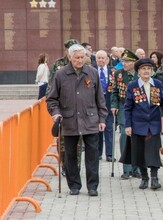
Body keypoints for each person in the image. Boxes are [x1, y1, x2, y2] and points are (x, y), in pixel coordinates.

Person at [46, 44, 108, 196]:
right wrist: (55, 113)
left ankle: (92, 186)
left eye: (82, 57)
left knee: (92, 156)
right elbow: (52, 99)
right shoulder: (60, 75)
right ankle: (74, 185)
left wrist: (102, 119)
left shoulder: (92, 73)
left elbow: (100, 99)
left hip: (91, 120)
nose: (80, 61)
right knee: (70, 155)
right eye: (77, 58)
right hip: (69, 121)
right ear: (70, 57)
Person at [124, 58, 163, 190]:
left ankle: (155, 178)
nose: (146, 71)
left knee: (153, 150)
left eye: (149, 69)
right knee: (139, 151)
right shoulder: (133, 85)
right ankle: (144, 177)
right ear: (138, 71)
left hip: (154, 124)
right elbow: (128, 107)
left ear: (152, 71)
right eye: (143, 69)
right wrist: (128, 125)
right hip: (138, 124)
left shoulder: (157, 84)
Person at [47, 39, 83, 177]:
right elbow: (51, 86)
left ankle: (76, 168)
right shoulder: (58, 65)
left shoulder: (83, 65)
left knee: (78, 143)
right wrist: (53, 109)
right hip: (62, 110)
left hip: (78, 110)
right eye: (69, 49)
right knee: (62, 142)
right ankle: (65, 165)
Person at [111, 49, 141, 179]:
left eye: (127, 61)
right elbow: (114, 92)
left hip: (139, 108)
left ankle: (137, 168)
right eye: (123, 61)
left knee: (138, 136)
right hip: (124, 107)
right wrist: (114, 105)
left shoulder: (140, 74)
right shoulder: (118, 74)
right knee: (124, 135)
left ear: (134, 62)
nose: (124, 63)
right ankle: (127, 168)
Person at [95, 50, 115, 162]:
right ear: (96, 59)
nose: (101, 60)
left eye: (103, 58)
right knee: (97, 130)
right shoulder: (91, 71)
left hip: (109, 104)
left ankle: (109, 154)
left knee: (109, 129)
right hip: (95, 105)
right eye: (99, 58)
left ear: (107, 59)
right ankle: (97, 153)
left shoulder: (113, 72)